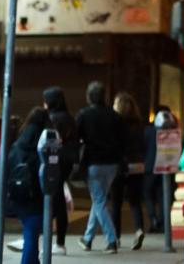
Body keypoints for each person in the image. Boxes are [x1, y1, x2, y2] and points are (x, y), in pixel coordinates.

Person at [75, 80, 125, 252]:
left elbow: (77, 137)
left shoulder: (83, 115)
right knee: (100, 200)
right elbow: (121, 140)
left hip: (93, 162)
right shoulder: (115, 116)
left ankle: (112, 240)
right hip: (112, 163)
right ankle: (87, 238)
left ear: (89, 97)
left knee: (99, 201)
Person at [5, 108, 47, 264]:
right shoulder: (44, 144)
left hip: (19, 194)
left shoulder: (18, 144)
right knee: (31, 234)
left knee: (30, 232)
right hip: (37, 195)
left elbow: (8, 167)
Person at [44, 86, 79, 254]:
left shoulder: (53, 119)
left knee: (53, 202)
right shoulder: (70, 118)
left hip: (54, 163)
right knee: (58, 202)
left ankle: (55, 243)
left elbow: (51, 145)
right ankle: (59, 242)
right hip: (67, 164)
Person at [110, 92, 147, 250]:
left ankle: (116, 237)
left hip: (120, 165)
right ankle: (139, 230)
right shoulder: (139, 124)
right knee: (134, 201)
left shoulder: (115, 124)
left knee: (116, 202)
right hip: (137, 164)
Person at [143, 106, 174, 232]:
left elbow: (143, 147)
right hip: (167, 166)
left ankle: (153, 219)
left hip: (150, 167)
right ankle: (162, 222)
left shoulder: (149, 131)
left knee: (147, 193)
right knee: (164, 195)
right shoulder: (173, 133)